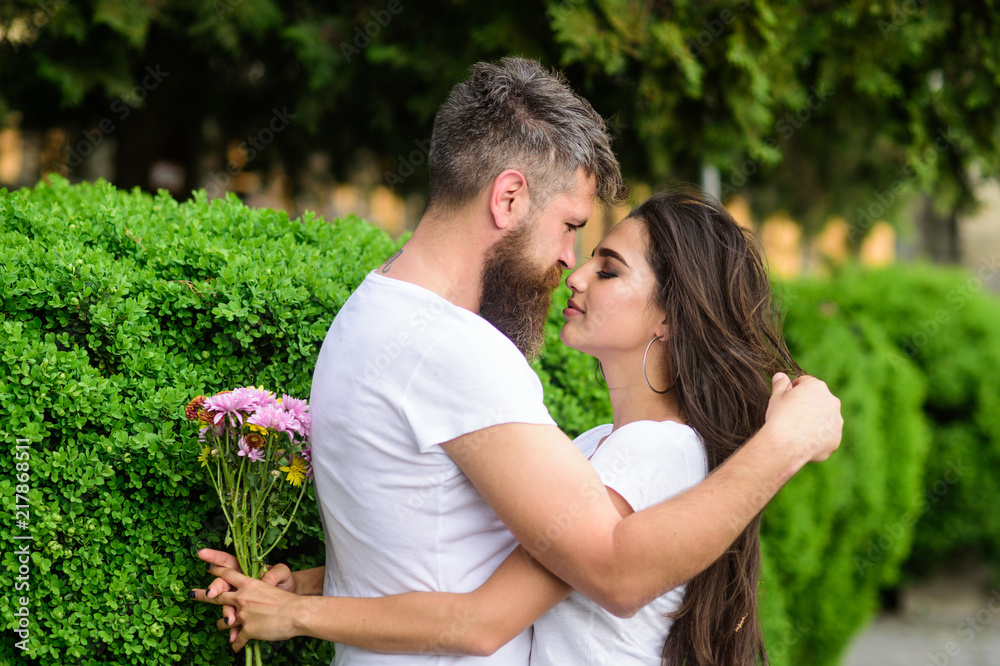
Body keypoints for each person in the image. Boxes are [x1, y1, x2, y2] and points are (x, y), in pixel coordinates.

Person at [191, 58, 842, 665]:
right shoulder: (457, 353)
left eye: (604, 264)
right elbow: (540, 583)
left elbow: (460, 572)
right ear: (508, 199)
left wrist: (302, 604)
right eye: (570, 227)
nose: (571, 266)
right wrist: (782, 443)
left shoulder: (371, 312)